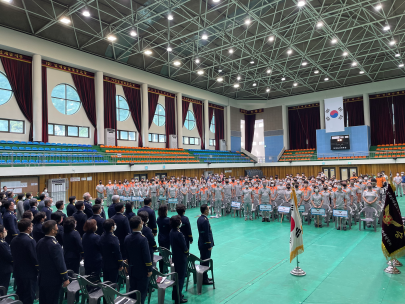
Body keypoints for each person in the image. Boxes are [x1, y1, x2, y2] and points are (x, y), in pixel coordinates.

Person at [36, 220, 70, 304]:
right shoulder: (55, 245)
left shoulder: (40, 241)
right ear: (52, 230)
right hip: (53, 279)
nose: (58, 229)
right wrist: (65, 278)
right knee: (52, 300)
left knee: (43, 300)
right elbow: (60, 263)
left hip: (42, 277)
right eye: (56, 227)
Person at [125, 216, 152, 304]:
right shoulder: (142, 239)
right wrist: (149, 269)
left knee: (132, 290)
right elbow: (146, 256)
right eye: (141, 222)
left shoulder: (127, 238)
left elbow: (127, 254)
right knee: (142, 292)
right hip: (142, 270)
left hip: (132, 268)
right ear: (140, 225)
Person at [10, 219, 38, 304]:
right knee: (29, 295)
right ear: (28, 228)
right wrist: (38, 268)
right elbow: (34, 257)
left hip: (18, 271)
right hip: (29, 273)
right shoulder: (30, 240)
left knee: (20, 293)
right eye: (31, 226)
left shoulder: (14, 239)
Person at [170, 215, 189, 304]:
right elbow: (184, 247)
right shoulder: (179, 234)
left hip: (175, 257)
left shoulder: (171, 232)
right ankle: (178, 298)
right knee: (180, 279)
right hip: (181, 258)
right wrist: (186, 253)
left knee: (176, 277)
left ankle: (175, 294)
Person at [100, 219, 123, 284]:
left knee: (106, 281)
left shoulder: (102, 236)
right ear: (112, 227)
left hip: (104, 262)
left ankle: (106, 294)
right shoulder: (114, 238)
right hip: (113, 264)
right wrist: (120, 264)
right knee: (112, 283)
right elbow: (117, 252)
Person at [197, 204, 214, 285]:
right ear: (206, 211)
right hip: (205, 245)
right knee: (205, 262)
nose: (209, 210)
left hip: (201, 243)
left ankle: (204, 276)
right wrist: (209, 245)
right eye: (208, 209)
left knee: (202, 260)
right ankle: (204, 279)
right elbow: (206, 235)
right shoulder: (205, 220)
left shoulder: (200, 219)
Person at [0, 225, 13, 296]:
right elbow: (9, 256)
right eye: (5, 230)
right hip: (4, 269)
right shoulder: (2, 244)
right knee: (3, 287)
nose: (6, 231)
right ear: (0, 233)